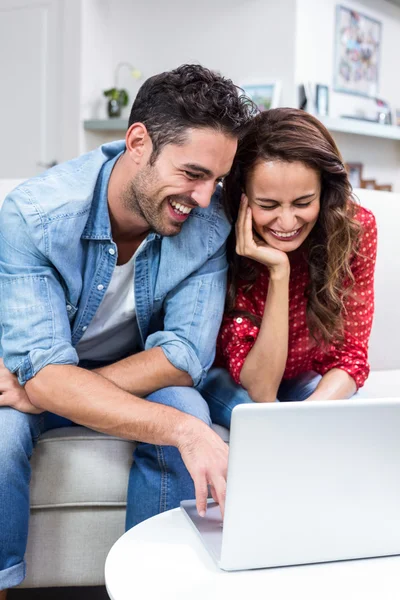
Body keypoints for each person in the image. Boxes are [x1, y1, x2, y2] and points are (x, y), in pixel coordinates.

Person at [0, 64, 254, 595]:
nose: (205, 198)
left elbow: (183, 355)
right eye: (191, 173)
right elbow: (43, 369)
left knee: (187, 405)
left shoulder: (208, 226)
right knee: (2, 438)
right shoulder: (35, 215)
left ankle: (161, 586)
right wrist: (47, 386)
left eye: (217, 180)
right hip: (24, 365)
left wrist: (51, 391)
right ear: (138, 141)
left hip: (100, 374)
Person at [200, 107, 377, 427]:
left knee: (349, 419)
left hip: (304, 376)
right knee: (261, 421)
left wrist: (306, 418)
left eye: (303, 202)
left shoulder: (355, 230)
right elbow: (262, 391)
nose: (286, 222)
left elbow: (351, 358)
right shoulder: (220, 232)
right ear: (243, 196)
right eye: (268, 205)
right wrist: (278, 272)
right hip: (232, 379)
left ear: (325, 191)